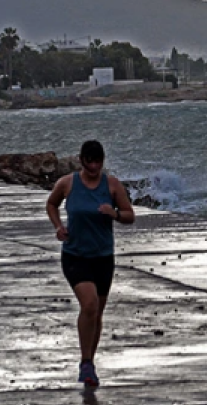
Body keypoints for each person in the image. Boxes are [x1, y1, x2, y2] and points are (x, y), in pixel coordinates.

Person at [45, 140, 135, 388]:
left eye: (98, 162)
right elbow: (51, 204)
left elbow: (130, 215)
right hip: (75, 255)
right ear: (82, 160)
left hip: (103, 258)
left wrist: (114, 213)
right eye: (89, 162)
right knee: (90, 304)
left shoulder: (112, 185)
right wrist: (58, 226)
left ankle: (89, 364)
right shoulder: (68, 183)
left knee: (96, 313)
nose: (94, 166)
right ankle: (85, 362)